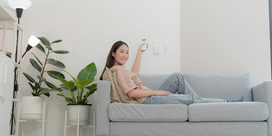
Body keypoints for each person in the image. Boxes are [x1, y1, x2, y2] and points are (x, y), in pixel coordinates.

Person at [100, 40, 243, 105]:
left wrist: (139, 53)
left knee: (177, 77)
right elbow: (131, 94)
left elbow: (134, 74)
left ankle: (199, 102)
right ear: (113, 53)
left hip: (149, 96)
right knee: (189, 99)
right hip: (148, 100)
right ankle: (226, 103)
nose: (125, 55)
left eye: (127, 52)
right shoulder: (118, 70)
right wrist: (157, 92)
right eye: (121, 52)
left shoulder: (121, 70)